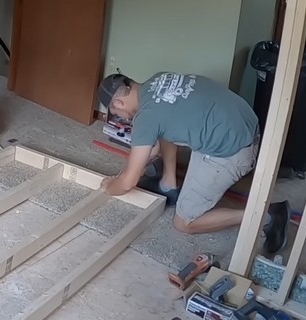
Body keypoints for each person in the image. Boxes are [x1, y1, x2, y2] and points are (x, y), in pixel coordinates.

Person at [97, 72, 289, 253]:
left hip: (232, 152)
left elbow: (126, 184)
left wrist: (111, 186)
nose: (122, 118)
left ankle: (268, 216)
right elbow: (153, 145)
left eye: (117, 114)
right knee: (164, 128)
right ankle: (168, 185)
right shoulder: (160, 79)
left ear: (119, 103)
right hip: (244, 125)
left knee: (184, 223)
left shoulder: (146, 118)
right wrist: (137, 164)